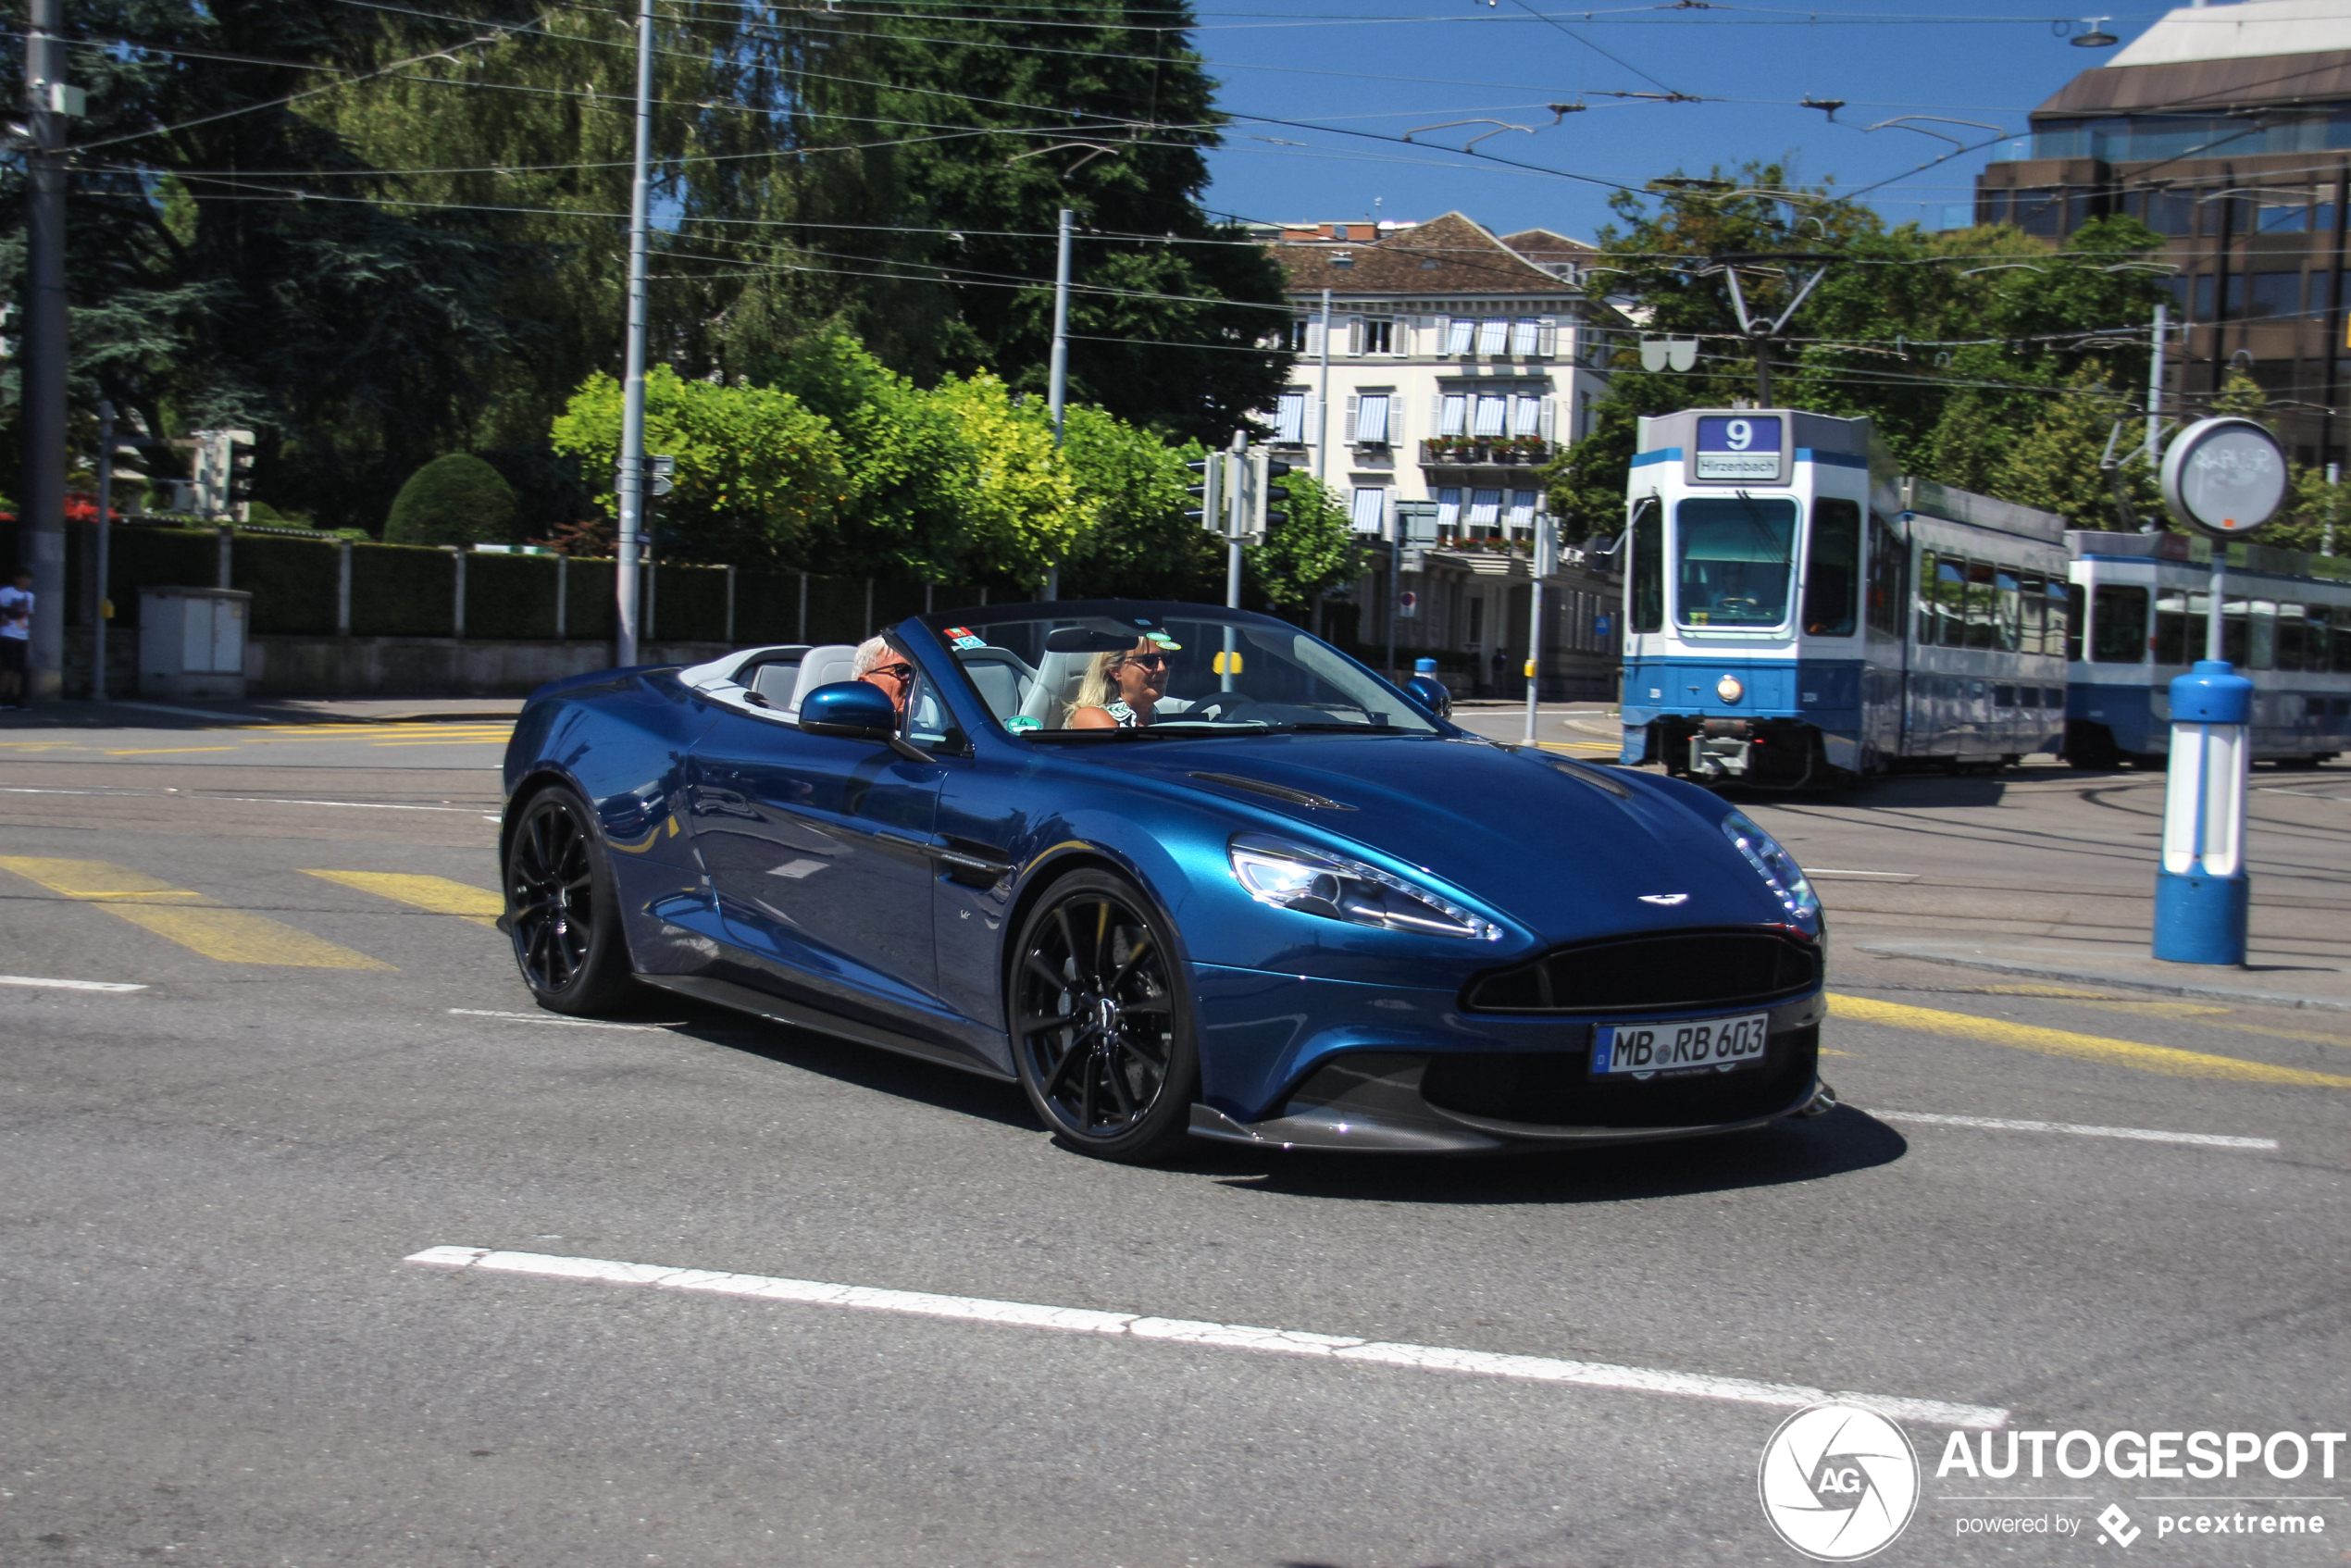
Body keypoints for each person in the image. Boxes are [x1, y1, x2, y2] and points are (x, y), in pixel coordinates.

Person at [1068, 638, 1171, 728]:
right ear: (1115, 670)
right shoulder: (1090, 717)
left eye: (1167, 660)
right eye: (1149, 660)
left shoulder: (1166, 719)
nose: (1162, 668)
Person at [850, 634, 915, 718]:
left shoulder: (931, 731)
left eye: (916, 673)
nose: (913, 680)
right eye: (902, 671)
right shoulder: (848, 730)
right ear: (865, 685)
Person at [0, 567, 31, 710]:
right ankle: (3, 696)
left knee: (19, 669)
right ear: (17, 579)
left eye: (29, 579)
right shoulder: (6, 593)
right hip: (8, 634)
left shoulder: (30, 597)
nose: (27, 581)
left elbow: (29, 614)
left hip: (22, 635)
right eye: (24, 578)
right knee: (9, 667)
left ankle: (15, 696)